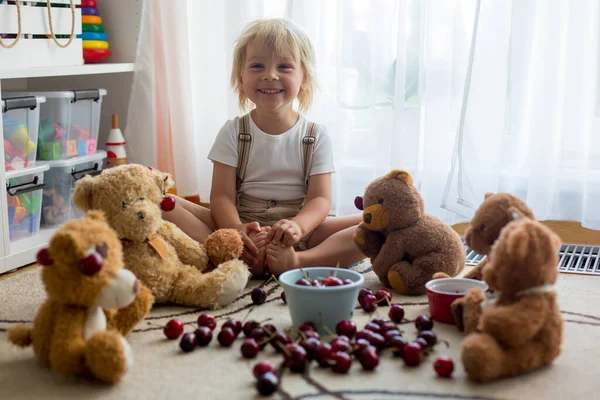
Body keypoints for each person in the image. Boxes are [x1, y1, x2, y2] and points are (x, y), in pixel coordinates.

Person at [163, 18, 364, 276]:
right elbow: (222, 196)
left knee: (377, 223)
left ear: (304, 78)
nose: (270, 75)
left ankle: (298, 261)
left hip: (302, 229)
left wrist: (297, 228)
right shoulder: (233, 132)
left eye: (284, 66)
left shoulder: (316, 135)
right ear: (241, 77)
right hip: (243, 225)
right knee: (160, 202)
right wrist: (236, 229)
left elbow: (320, 199)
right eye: (257, 66)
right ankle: (232, 250)